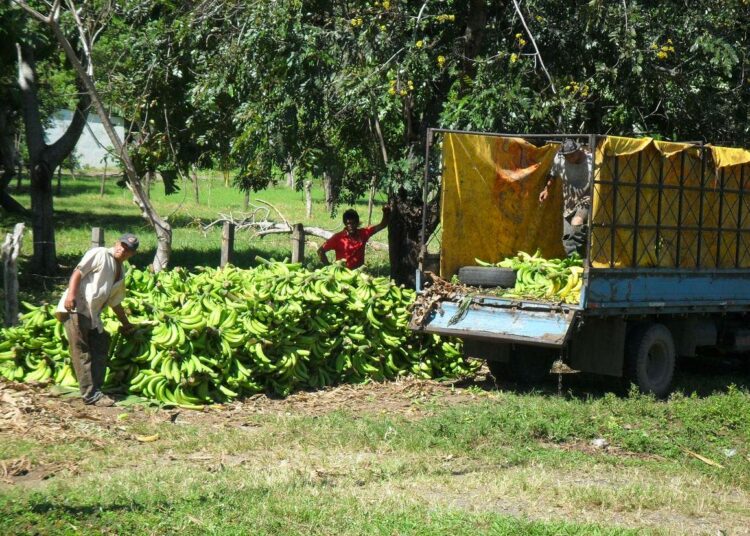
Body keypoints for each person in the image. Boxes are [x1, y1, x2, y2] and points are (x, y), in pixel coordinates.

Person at [55, 233, 139, 406]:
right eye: (122, 246)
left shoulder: (120, 271)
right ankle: (90, 395)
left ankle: (97, 389)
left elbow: (115, 302)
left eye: (127, 250)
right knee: (82, 351)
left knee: (101, 346)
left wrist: (126, 323)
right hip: (77, 308)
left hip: (93, 315)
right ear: (116, 243)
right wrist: (71, 295)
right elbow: (78, 272)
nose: (122, 250)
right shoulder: (99, 253)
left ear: (132, 254)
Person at [538, 138, 593, 256]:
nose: (570, 159)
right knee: (568, 238)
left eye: (572, 155)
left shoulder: (590, 161)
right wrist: (546, 189)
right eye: (567, 156)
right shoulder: (560, 159)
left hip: (587, 199)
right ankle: (575, 263)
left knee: (577, 222)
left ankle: (584, 257)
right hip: (569, 200)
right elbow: (553, 174)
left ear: (579, 151)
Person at [318, 205, 391, 269]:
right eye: (348, 223)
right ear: (345, 223)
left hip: (359, 273)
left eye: (353, 223)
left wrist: (386, 212)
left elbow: (382, 225)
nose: (351, 226)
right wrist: (329, 267)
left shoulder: (364, 233)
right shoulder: (338, 238)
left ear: (357, 223)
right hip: (343, 274)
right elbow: (320, 251)